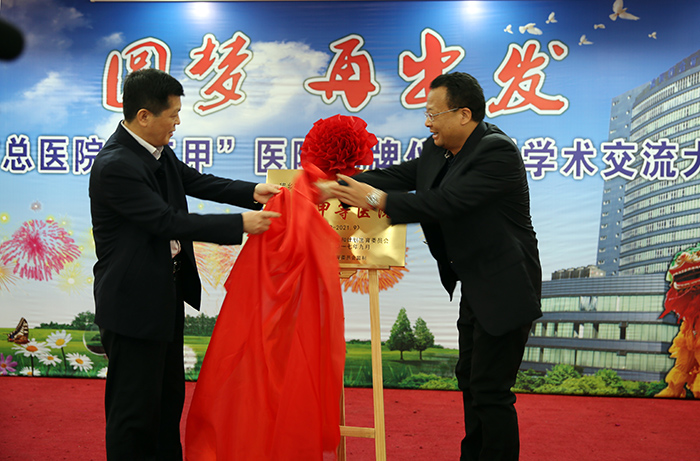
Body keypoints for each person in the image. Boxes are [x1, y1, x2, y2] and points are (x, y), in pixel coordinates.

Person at [328, 72, 542, 460]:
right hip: (476, 283)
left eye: (432, 114)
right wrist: (335, 184)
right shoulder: (438, 150)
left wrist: (374, 199)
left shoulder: (498, 152)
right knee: (470, 381)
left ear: (463, 114)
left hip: (507, 286)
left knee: (491, 390)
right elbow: (395, 176)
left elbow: (444, 203)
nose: (427, 123)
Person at [89, 68, 280, 460]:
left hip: (164, 294)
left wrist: (253, 192)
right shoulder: (116, 165)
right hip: (133, 304)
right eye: (173, 114)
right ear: (144, 116)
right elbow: (165, 221)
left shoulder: (157, 151)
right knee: (134, 411)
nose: (178, 122)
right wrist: (240, 224)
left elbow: (198, 181)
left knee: (166, 399)